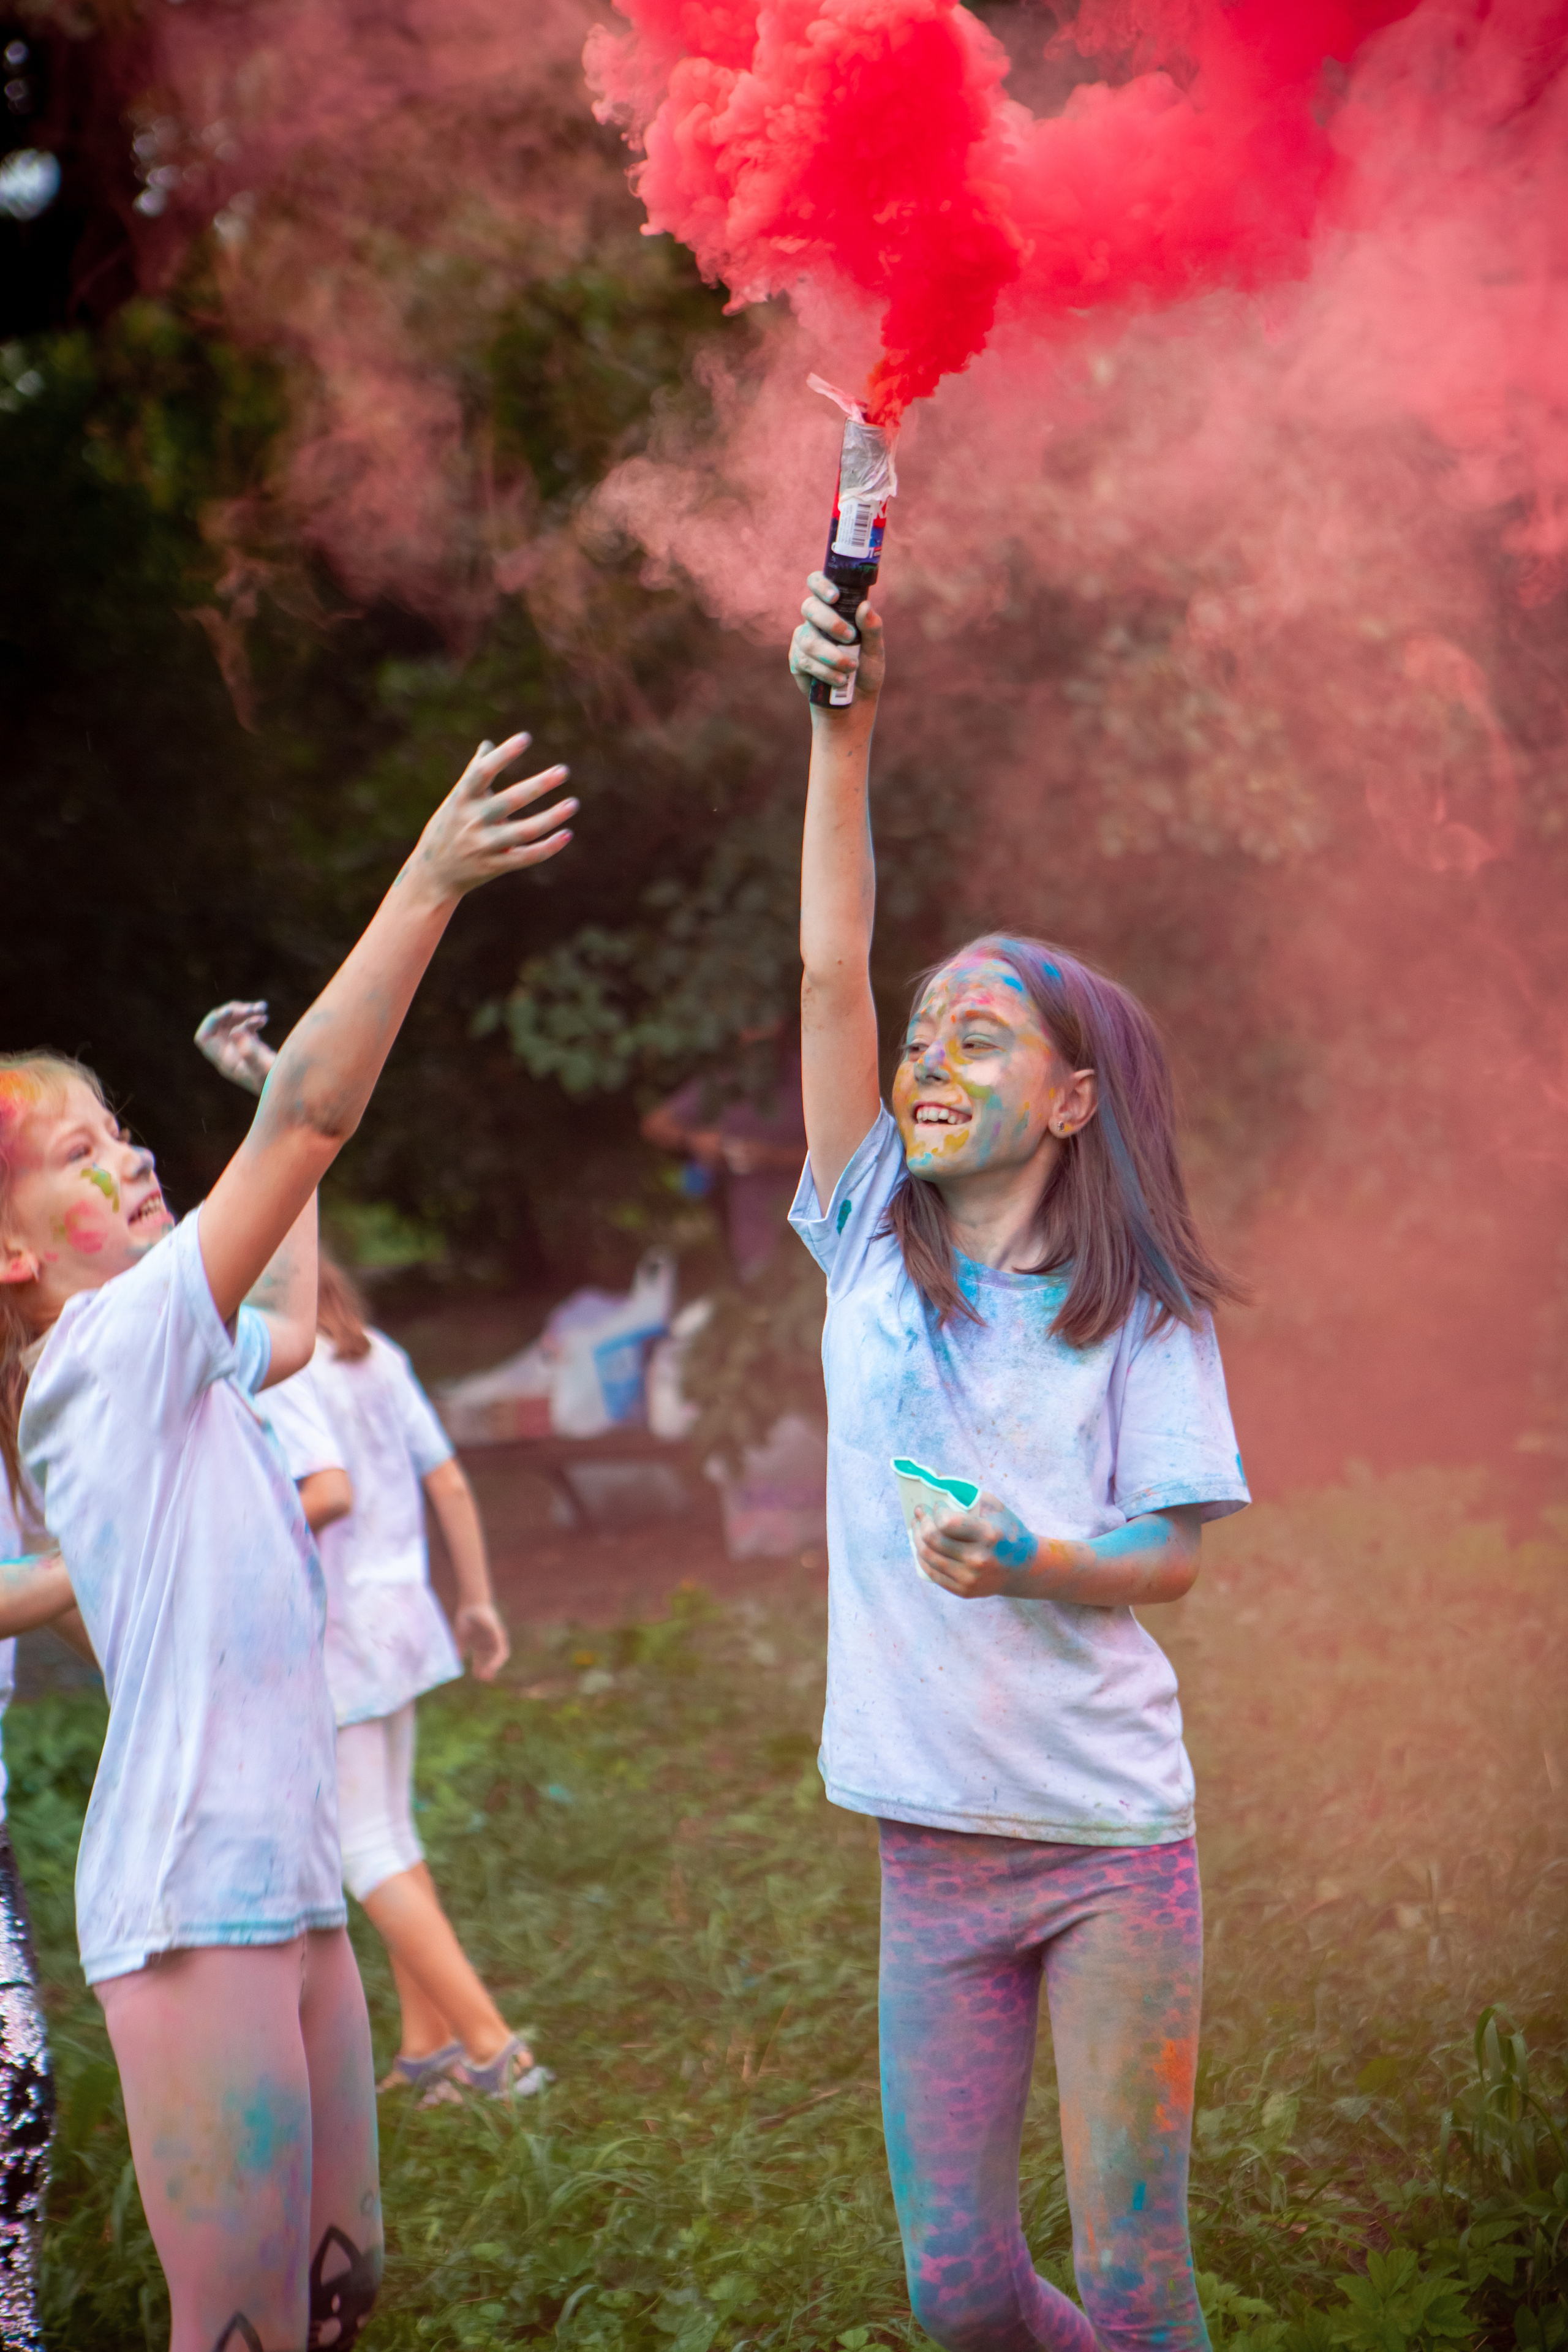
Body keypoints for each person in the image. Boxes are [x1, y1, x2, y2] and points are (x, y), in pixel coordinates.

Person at [1, 732, 576, 2352]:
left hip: (287, 1873)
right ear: (9, 1259)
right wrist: (430, 883)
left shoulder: (169, 1352)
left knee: (338, 2291)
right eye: (82, 1154)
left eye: (124, 1128)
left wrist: (264, 1123)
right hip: (192, 1897)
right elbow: (323, 1118)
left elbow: (294, 1328)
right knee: (243, 2325)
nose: (130, 1155)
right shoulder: (98, 1362)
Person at [786, 573, 1249, 2352]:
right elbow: (830, 961)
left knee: (1136, 2281)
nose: (923, 1053)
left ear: (1067, 1100)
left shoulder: (1137, 1313)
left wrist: (1036, 1558)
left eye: (975, 1036)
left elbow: (1170, 1556)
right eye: (921, 1035)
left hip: (1108, 1840)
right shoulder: (859, 1233)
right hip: (927, 1845)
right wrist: (844, 728)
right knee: (955, 2290)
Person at [641, 1020, 807, 1277]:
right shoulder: (724, 1082)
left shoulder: (810, 1076)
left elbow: (849, 1152)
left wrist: (771, 1156)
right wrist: (694, 1140)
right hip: (752, 1230)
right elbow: (655, 1124)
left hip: (814, 1223)